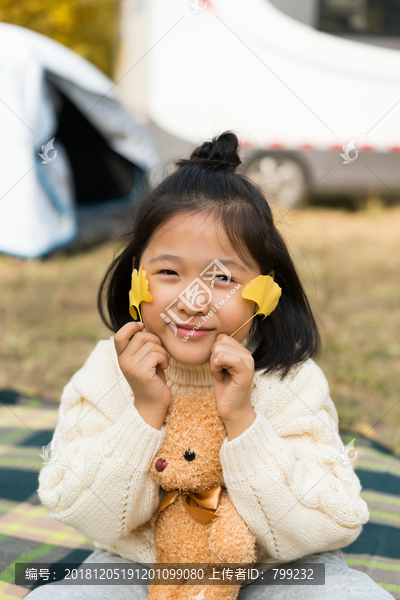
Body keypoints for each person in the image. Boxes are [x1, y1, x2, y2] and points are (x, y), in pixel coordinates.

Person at [29, 132, 392, 599]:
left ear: (266, 289)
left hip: (277, 570)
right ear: (137, 275)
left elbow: (330, 522)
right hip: (140, 567)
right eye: (168, 273)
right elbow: (76, 505)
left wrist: (244, 421)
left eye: (222, 277)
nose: (191, 300)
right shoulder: (107, 372)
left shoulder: (290, 380)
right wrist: (143, 412)